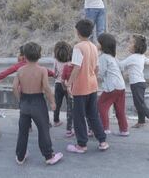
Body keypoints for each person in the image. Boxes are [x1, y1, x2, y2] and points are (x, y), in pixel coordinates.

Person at [13, 42, 63, 165]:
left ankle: (20, 156)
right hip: (38, 102)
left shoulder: (20, 70)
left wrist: (20, 100)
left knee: (23, 131)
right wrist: (52, 102)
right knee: (43, 129)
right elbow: (46, 88)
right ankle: (49, 156)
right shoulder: (42, 70)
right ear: (39, 55)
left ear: (24, 55)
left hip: (25, 101)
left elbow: (14, 87)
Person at [66, 19, 109, 153]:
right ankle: (102, 141)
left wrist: (69, 83)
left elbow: (77, 67)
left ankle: (81, 145)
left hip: (80, 87)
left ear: (78, 32)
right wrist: (91, 77)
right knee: (93, 115)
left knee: (78, 116)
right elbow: (96, 68)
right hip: (92, 85)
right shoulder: (94, 47)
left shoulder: (78, 47)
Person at [119, 34, 149, 130]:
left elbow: (121, 65)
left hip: (136, 84)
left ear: (136, 47)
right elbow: (148, 61)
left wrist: (113, 59)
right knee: (139, 103)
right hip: (141, 83)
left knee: (139, 104)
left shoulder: (132, 58)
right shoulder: (141, 56)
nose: (128, 44)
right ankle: (141, 121)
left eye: (131, 43)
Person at [96, 33, 129, 136]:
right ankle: (124, 130)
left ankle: (104, 129)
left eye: (98, 42)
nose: (96, 44)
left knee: (101, 106)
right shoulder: (113, 57)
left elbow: (100, 73)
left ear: (102, 45)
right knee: (120, 109)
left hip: (112, 87)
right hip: (121, 86)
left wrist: (93, 73)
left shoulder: (103, 57)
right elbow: (121, 67)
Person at [52, 41, 74, 137]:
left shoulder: (56, 61)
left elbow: (55, 74)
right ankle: (69, 127)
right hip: (69, 85)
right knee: (70, 106)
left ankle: (56, 120)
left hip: (58, 85)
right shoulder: (71, 62)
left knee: (57, 103)